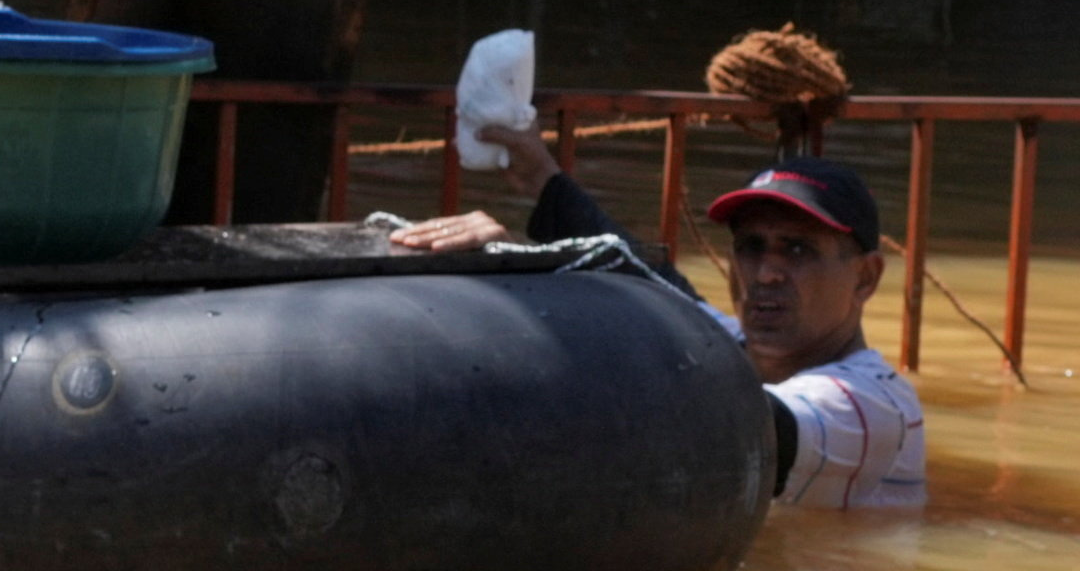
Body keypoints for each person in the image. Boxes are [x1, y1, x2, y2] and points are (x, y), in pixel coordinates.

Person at [389, 132, 927, 513]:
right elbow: (657, 284)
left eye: (798, 251)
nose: (766, 274)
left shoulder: (873, 406)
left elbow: (733, 417)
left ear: (865, 279)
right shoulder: (735, 347)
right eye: (752, 247)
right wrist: (532, 207)